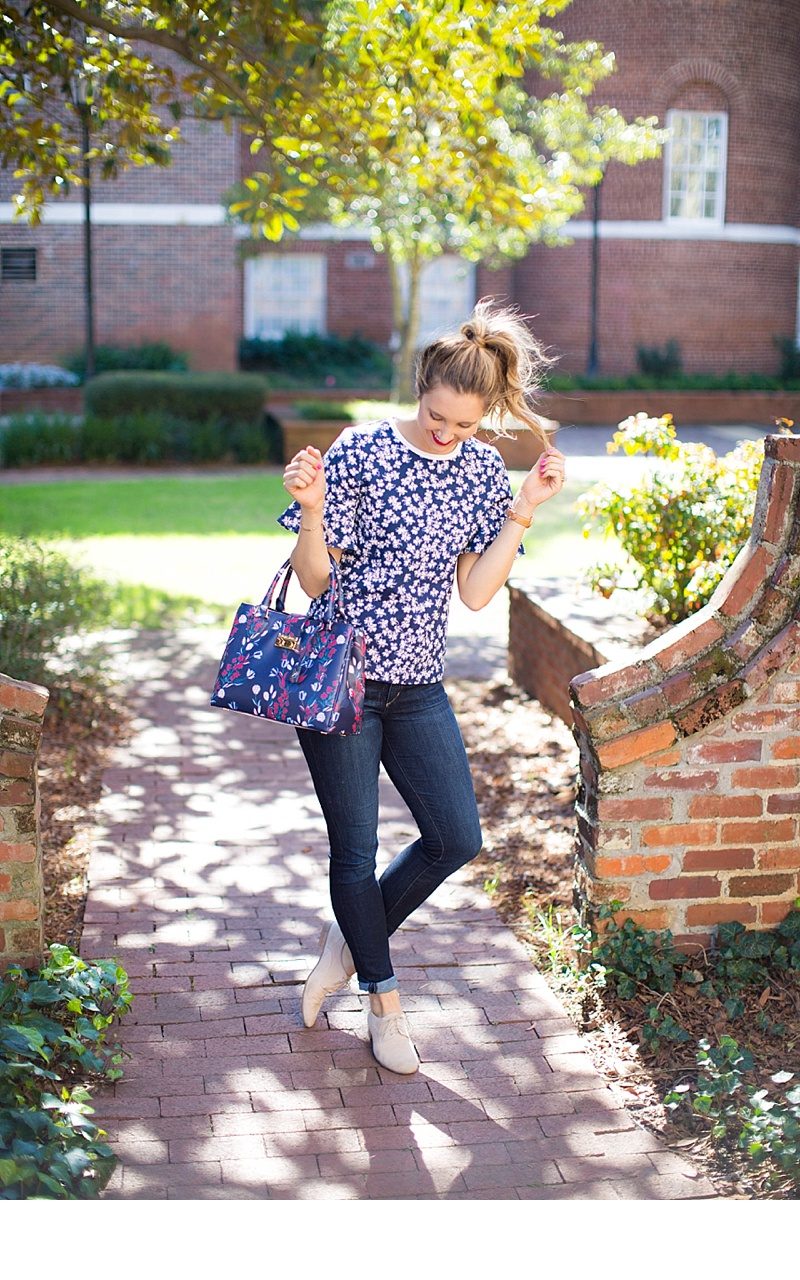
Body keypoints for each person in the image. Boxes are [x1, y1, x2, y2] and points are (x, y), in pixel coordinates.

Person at [278, 297, 566, 1074]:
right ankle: (384, 1000)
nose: (449, 434)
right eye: (438, 416)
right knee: (356, 852)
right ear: (421, 388)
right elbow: (313, 581)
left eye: (467, 425)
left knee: (456, 838)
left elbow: (476, 594)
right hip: (341, 683)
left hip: (419, 689)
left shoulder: (478, 470)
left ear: (485, 419)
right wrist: (310, 512)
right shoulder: (360, 452)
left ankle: (352, 936)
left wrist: (523, 511)